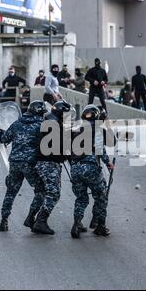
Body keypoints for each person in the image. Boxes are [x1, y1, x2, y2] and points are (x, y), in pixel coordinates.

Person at [0, 101, 48, 232]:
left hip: (14, 162)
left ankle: (4, 220)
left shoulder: (17, 123)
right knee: (40, 191)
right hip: (30, 163)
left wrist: (0, 131)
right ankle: (31, 217)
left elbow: (4, 139)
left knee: (11, 192)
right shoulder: (41, 125)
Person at [70, 105, 115, 238]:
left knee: (81, 198)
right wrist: (108, 163)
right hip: (90, 167)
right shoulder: (98, 129)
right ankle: (100, 226)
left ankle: (76, 224)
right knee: (101, 197)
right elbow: (103, 148)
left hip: (75, 168)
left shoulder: (77, 129)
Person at [33, 101, 74, 235]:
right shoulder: (55, 126)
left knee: (45, 192)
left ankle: (32, 219)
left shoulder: (49, 122)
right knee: (54, 193)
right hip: (49, 163)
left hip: (43, 162)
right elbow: (62, 148)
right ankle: (40, 221)